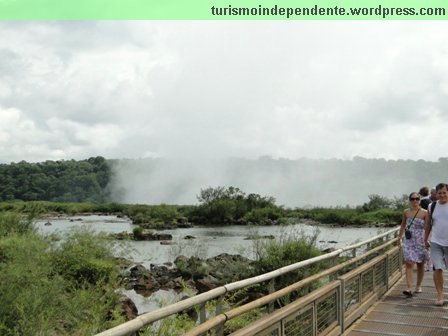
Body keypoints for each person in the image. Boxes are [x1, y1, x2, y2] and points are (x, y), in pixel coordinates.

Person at [398, 192, 428, 297]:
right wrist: (399, 238)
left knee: (420, 264)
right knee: (409, 263)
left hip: (420, 240)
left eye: (417, 199)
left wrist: (428, 239)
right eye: (412, 199)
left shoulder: (425, 213)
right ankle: (409, 288)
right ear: (410, 200)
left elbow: (428, 227)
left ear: (420, 200)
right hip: (409, 240)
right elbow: (402, 225)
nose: (415, 201)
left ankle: (418, 286)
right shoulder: (406, 212)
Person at [425, 183, 448, 306]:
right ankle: (440, 294)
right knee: (437, 268)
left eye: (444, 192)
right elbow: (428, 224)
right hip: (436, 242)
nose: (442, 195)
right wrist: (425, 239)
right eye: (440, 193)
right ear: (436, 194)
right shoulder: (432, 206)